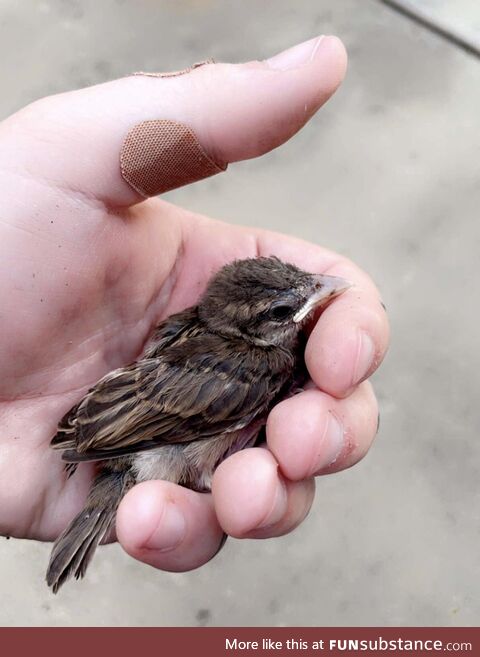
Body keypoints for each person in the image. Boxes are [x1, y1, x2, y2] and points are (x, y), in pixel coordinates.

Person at [0, 36, 389, 574]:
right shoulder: (258, 365)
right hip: (144, 454)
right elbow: (170, 424)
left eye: (306, 287)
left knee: (262, 476)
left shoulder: (204, 333)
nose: (317, 293)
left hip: (107, 427)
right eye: (282, 313)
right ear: (253, 330)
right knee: (231, 482)